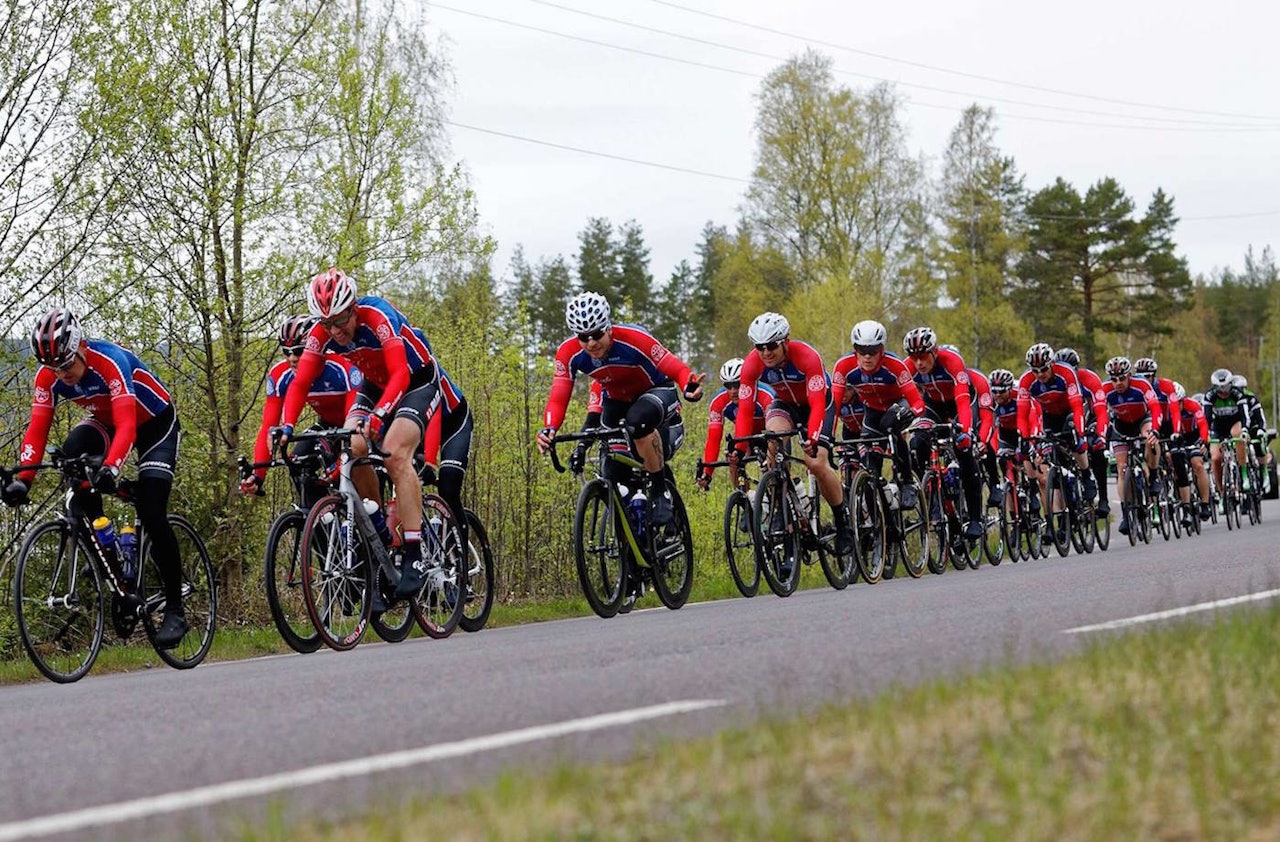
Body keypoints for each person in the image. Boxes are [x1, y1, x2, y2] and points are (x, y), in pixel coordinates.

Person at [2, 309, 188, 647]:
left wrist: (111, 467)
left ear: (80, 348)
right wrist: (24, 480)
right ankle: (108, 557)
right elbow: (37, 428)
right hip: (107, 420)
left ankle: (175, 610)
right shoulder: (48, 377)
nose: (62, 374)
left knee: (152, 510)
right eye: (54, 368)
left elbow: (128, 425)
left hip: (155, 425)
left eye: (66, 364)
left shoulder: (110, 361)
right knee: (72, 456)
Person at [277, 267, 442, 600]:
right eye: (327, 324)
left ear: (353, 308)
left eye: (340, 321)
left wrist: (380, 416)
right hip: (375, 384)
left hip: (417, 381)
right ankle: (378, 527)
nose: (335, 331)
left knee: (395, 453)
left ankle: (414, 552)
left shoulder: (378, 316)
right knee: (351, 444)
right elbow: (300, 382)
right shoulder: (322, 332)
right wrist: (286, 425)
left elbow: (400, 375)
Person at [537, 292, 703, 534]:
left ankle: (659, 491)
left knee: (638, 423)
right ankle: (634, 536)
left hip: (657, 391)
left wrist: (689, 384)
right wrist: (549, 429)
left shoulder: (633, 338)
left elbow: (673, 365)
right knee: (612, 466)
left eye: (597, 334)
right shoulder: (568, 353)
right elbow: (558, 395)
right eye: (583, 337)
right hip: (618, 401)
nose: (591, 343)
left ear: (608, 328)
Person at [734, 312, 853, 556]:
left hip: (818, 405)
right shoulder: (752, 364)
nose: (765, 352)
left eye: (771, 346)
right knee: (772, 444)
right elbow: (745, 410)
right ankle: (783, 510)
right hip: (785, 405)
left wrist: (813, 438)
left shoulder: (807, 356)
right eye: (759, 347)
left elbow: (817, 404)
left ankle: (843, 522)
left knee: (816, 463)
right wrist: (738, 447)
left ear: (785, 341)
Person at [241, 315, 359, 507]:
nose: (292, 359)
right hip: (327, 424)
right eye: (286, 352)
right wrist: (258, 475)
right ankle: (321, 518)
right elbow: (268, 428)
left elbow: (355, 414)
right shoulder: (280, 375)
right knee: (298, 460)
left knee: (351, 468)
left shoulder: (341, 366)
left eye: (299, 351)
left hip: (357, 422)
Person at [831, 320, 925, 508]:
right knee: (869, 463)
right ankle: (881, 514)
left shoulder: (895, 365)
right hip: (872, 410)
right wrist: (828, 438)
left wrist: (911, 413)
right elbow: (833, 407)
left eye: (873, 351)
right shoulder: (844, 367)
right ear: (855, 349)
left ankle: (908, 481)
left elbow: (918, 403)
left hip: (897, 404)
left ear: (881, 350)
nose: (867, 356)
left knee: (891, 426)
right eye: (861, 350)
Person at [903, 327, 983, 539]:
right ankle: (928, 493)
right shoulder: (908, 366)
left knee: (964, 450)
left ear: (935, 351)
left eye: (923, 356)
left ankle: (975, 518)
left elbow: (963, 399)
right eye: (914, 357)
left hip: (960, 404)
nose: (918, 363)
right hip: (933, 405)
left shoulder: (952, 361)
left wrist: (965, 431)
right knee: (917, 442)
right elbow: (900, 395)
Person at [1098, 356, 1162, 536]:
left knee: (1150, 437)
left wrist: (1155, 430)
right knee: (1121, 469)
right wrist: (1102, 435)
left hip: (1142, 421)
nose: (1118, 383)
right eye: (1114, 379)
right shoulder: (1105, 389)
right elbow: (1101, 413)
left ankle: (1154, 476)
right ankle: (1126, 514)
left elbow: (1155, 408)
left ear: (1129, 376)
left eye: (1122, 378)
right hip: (1121, 425)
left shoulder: (1141, 385)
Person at [695, 358, 774, 490]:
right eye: (728, 385)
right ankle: (745, 498)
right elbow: (714, 438)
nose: (733, 390)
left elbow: (776, 428)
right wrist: (707, 473)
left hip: (770, 433)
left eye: (738, 384)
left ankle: (793, 491)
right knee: (733, 459)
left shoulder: (765, 395)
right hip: (746, 437)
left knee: (776, 471)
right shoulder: (718, 401)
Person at [1055, 348, 1112, 518]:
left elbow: (1101, 411)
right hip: (1070, 420)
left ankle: (1103, 499)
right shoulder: (1056, 382)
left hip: (1091, 419)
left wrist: (1101, 435)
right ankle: (1069, 510)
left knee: (1097, 450)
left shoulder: (1089, 379)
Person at [1169, 382, 1213, 524]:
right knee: (1171, 460)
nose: (1176, 406)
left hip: (1193, 437)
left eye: (1179, 403)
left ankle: (1205, 503)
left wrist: (1203, 440)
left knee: (1197, 464)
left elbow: (1203, 424)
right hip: (1177, 439)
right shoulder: (1168, 410)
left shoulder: (1193, 405)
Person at [1203, 368, 1251, 498]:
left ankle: (1244, 473)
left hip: (1235, 422)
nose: (1223, 393)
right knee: (1215, 458)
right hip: (1218, 426)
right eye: (1219, 389)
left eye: (1226, 388)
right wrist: (1205, 435)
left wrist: (1245, 430)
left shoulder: (1237, 394)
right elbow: (1206, 419)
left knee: (1237, 434)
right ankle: (1221, 491)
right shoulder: (1209, 396)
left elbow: (1245, 415)